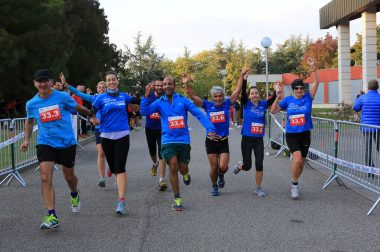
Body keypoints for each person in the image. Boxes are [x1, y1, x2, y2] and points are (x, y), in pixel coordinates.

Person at [20, 69, 94, 230]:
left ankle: (74, 193)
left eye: (46, 80)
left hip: (66, 142)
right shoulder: (31, 104)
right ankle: (52, 215)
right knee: (45, 177)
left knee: (69, 176)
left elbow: (78, 108)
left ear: (51, 82)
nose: (43, 84)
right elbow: (30, 121)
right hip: (46, 143)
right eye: (39, 81)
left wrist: (91, 114)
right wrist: (26, 139)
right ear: (35, 83)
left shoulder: (62, 96)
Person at [140, 76, 216, 211]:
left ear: (174, 86)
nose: (167, 86)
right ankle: (177, 198)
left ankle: (186, 173)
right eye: (164, 84)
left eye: (169, 84)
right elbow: (144, 111)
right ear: (162, 87)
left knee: (183, 168)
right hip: (168, 140)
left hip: (183, 140)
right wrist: (146, 95)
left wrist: (210, 128)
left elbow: (198, 114)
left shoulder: (183, 100)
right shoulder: (159, 102)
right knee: (173, 165)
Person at [183, 69, 246, 196]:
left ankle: (221, 175)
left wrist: (241, 76)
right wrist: (186, 84)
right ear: (213, 97)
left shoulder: (227, 104)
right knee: (213, 167)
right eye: (215, 96)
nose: (218, 98)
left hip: (223, 141)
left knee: (222, 167)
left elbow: (237, 90)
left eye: (220, 96)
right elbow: (193, 96)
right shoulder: (207, 105)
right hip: (211, 141)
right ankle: (214, 186)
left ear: (223, 96)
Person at [91, 71, 141, 215]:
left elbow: (137, 101)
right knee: (113, 168)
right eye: (109, 80)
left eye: (114, 79)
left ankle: (121, 200)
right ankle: (110, 169)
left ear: (117, 81)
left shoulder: (124, 96)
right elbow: (92, 111)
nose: (111, 82)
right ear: (106, 83)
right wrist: (93, 118)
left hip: (123, 134)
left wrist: (147, 95)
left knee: (120, 168)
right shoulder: (101, 98)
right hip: (106, 136)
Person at [270, 58, 319, 200]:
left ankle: (294, 183)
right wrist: (277, 97)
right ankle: (295, 185)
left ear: (304, 89)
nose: (299, 90)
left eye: (301, 88)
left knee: (301, 163)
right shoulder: (288, 101)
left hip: (305, 134)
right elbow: (273, 111)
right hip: (292, 134)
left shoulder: (308, 98)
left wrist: (313, 67)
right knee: (297, 159)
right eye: (296, 88)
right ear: (293, 90)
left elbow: (316, 82)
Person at [59, 73, 110, 187]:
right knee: (101, 153)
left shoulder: (111, 98)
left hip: (110, 129)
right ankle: (102, 178)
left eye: (103, 87)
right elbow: (78, 93)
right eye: (99, 88)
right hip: (98, 129)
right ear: (96, 90)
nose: (101, 89)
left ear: (107, 89)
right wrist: (66, 85)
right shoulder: (94, 98)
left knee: (110, 153)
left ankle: (112, 168)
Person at [233, 70, 277, 197]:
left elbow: (273, 98)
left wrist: (275, 89)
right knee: (248, 166)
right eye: (252, 93)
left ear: (259, 94)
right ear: (250, 95)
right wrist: (245, 79)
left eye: (256, 93)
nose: (255, 95)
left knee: (259, 163)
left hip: (258, 140)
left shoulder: (263, 104)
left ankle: (258, 188)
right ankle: (240, 166)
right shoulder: (246, 104)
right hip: (247, 139)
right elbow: (242, 92)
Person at [143, 77, 168, 190]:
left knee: (161, 153)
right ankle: (155, 164)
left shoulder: (167, 96)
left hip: (162, 129)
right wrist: (146, 94)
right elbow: (143, 110)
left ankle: (161, 180)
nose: (159, 87)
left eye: (161, 85)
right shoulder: (149, 96)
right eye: (157, 85)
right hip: (150, 128)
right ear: (153, 86)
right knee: (152, 152)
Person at [353, 79, 380, 174]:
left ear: (368, 88)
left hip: (366, 127)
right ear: (378, 87)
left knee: (368, 149)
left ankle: (369, 170)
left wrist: (358, 96)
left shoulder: (363, 97)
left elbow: (355, 108)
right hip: (378, 128)